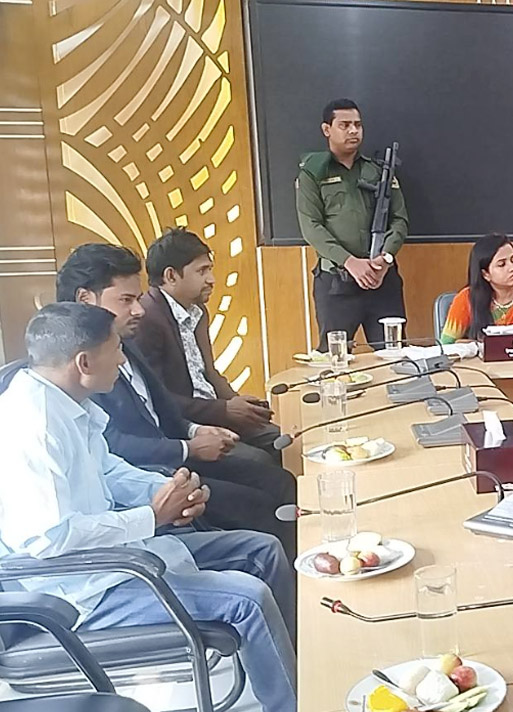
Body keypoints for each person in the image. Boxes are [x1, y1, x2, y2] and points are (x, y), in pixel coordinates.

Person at [0, 303, 296, 712]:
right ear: (84, 362)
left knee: (262, 550)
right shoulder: (33, 427)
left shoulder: (68, 402)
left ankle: (291, 665)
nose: (123, 360)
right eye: (116, 349)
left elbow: (109, 470)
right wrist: (153, 517)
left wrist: (173, 490)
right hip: (81, 591)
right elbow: (50, 538)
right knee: (248, 598)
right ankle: (291, 704)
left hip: (118, 557)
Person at [56, 243, 296, 555]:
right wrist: (188, 447)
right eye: (126, 300)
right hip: (152, 477)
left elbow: (160, 408)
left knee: (279, 481)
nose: (139, 310)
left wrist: (196, 430)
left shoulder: (125, 340)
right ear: (85, 300)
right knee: (261, 506)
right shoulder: (78, 368)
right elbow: (112, 446)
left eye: (138, 298)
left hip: (175, 458)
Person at [135, 228, 282, 462]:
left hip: (214, 414)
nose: (211, 279)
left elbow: (208, 373)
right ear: (171, 276)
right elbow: (157, 398)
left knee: (283, 440)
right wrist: (225, 410)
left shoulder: (198, 311)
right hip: (185, 429)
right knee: (259, 461)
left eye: (210, 270)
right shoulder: (146, 319)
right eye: (202, 271)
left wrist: (239, 404)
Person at [296, 98, 408, 345]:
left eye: (357, 124)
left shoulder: (378, 171)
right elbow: (311, 226)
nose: (353, 131)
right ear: (327, 129)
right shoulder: (312, 173)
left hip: (382, 279)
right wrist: (350, 262)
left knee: (396, 354)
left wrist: (386, 258)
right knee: (335, 356)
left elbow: (399, 220)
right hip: (337, 283)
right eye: (344, 125)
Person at [439, 233, 513, 344]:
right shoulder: (466, 299)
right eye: (502, 264)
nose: (512, 268)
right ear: (486, 274)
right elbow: (447, 345)